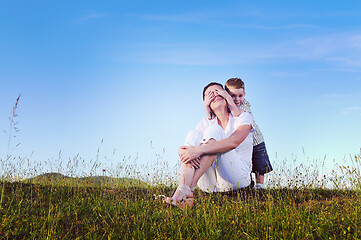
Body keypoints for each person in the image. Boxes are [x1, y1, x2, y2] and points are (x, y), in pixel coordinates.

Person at [163, 82, 254, 209]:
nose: (214, 95)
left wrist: (198, 150)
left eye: (218, 91)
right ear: (206, 102)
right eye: (209, 94)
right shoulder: (205, 122)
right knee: (192, 134)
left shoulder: (243, 117)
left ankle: (188, 189)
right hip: (210, 185)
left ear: (226, 95)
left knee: (214, 131)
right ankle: (184, 188)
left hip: (237, 179)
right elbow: (190, 146)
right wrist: (182, 150)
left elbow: (234, 142)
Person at [224, 78, 273, 189]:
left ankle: (260, 184)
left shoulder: (244, 105)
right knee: (246, 161)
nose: (237, 99)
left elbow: (237, 114)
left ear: (244, 94)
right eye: (232, 96)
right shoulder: (226, 106)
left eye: (240, 96)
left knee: (259, 162)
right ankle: (248, 182)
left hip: (256, 140)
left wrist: (228, 100)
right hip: (242, 142)